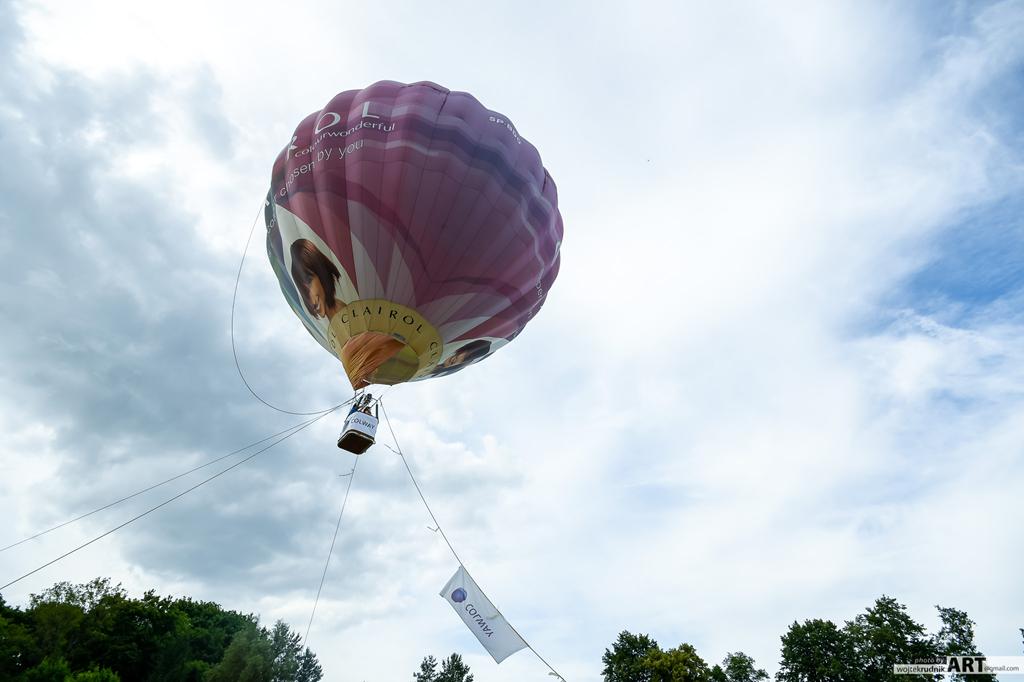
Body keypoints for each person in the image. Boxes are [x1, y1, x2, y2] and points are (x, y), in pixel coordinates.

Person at [290, 239, 345, 320]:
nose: (311, 299)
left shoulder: (343, 315)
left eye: (309, 281)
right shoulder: (335, 317)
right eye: (304, 289)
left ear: (320, 272)